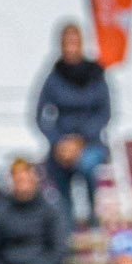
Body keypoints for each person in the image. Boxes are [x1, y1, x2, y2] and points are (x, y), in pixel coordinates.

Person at [34, 22, 109, 225]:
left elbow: (104, 113)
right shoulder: (54, 77)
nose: (71, 47)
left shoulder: (96, 74)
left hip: (90, 142)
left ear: (81, 44)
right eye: (67, 43)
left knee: (85, 165)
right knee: (56, 174)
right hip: (61, 147)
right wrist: (58, 141)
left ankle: (93, 219)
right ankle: (66, 226)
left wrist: (79, 141)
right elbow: (40, 114)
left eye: (74, 43)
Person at [0, 157, 70, 264]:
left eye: (26, 178)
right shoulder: (1, 210)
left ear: (35, 178)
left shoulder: (50, 209)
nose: (22, 183)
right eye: (18, 179)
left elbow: (57, 250)